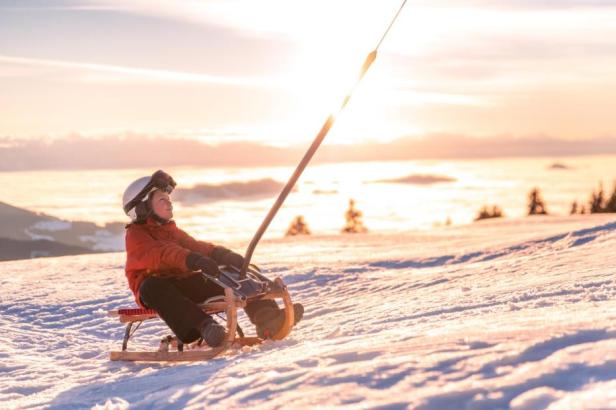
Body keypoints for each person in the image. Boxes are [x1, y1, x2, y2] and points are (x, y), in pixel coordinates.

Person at [122, 170, 303, 348]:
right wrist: (192, 259)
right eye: (162, 200)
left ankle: (268, 320)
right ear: (143, 207)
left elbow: (194, 245)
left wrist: (221, 254)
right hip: (160, 292)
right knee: (152, 286)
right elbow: (160, 254)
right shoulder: (136, 235)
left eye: (169, 200)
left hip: (185, 284)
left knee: (231, 274)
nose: (169, 204)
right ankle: (205, 327)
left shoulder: (171, 230)